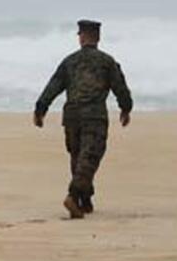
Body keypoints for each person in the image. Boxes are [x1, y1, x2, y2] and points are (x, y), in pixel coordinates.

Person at [34, 19, 133, 219]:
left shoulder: (69, 61)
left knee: (78, 158)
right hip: (94, 116)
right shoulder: (107, 61)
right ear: (98, 37)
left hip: (72, 116)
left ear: (82, 37)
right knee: (90, 158)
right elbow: (120, 87)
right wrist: (126, 108)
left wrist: (40, 108)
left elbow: (53, 85)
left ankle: (84, 200)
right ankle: (73, 195)